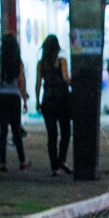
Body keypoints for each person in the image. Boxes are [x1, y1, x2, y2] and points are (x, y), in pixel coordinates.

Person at [0, 34, 30, 171]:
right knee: (16, 130)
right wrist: (24, 100)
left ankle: (3, 162)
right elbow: (21, 82)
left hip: (0, 97)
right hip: (13, 98)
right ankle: (22, 161)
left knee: (3, 130)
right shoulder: (18, 61)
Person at [36, 35, 73, 176]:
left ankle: (54, 166)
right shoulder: (61, 61)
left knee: (51, 135)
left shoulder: (41, 63)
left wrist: (38, 102)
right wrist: (74, 84)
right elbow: (65, 78)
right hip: (62, 100)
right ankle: (62, 160)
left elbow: (38, 83)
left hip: (48, 100)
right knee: (65, 132)